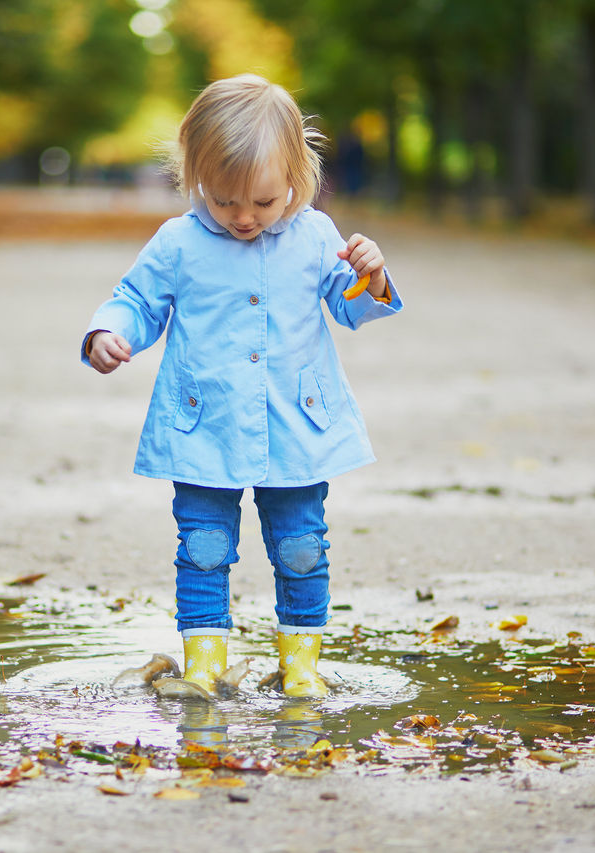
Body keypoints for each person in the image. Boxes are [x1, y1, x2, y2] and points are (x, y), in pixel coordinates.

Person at [80, 74, 403, 698]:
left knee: (302, 545)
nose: (245, 217)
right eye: (225, 201)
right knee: (202, 547)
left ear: (295, 177)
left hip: (294, 425)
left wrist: (373, 275)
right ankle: (203, 664)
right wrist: (106, 333)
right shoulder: (179, 242)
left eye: (262, 200)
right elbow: (135, 300)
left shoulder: (314, 236)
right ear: (198, 177)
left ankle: (301, 664)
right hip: (205, 427)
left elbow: (351, 307)